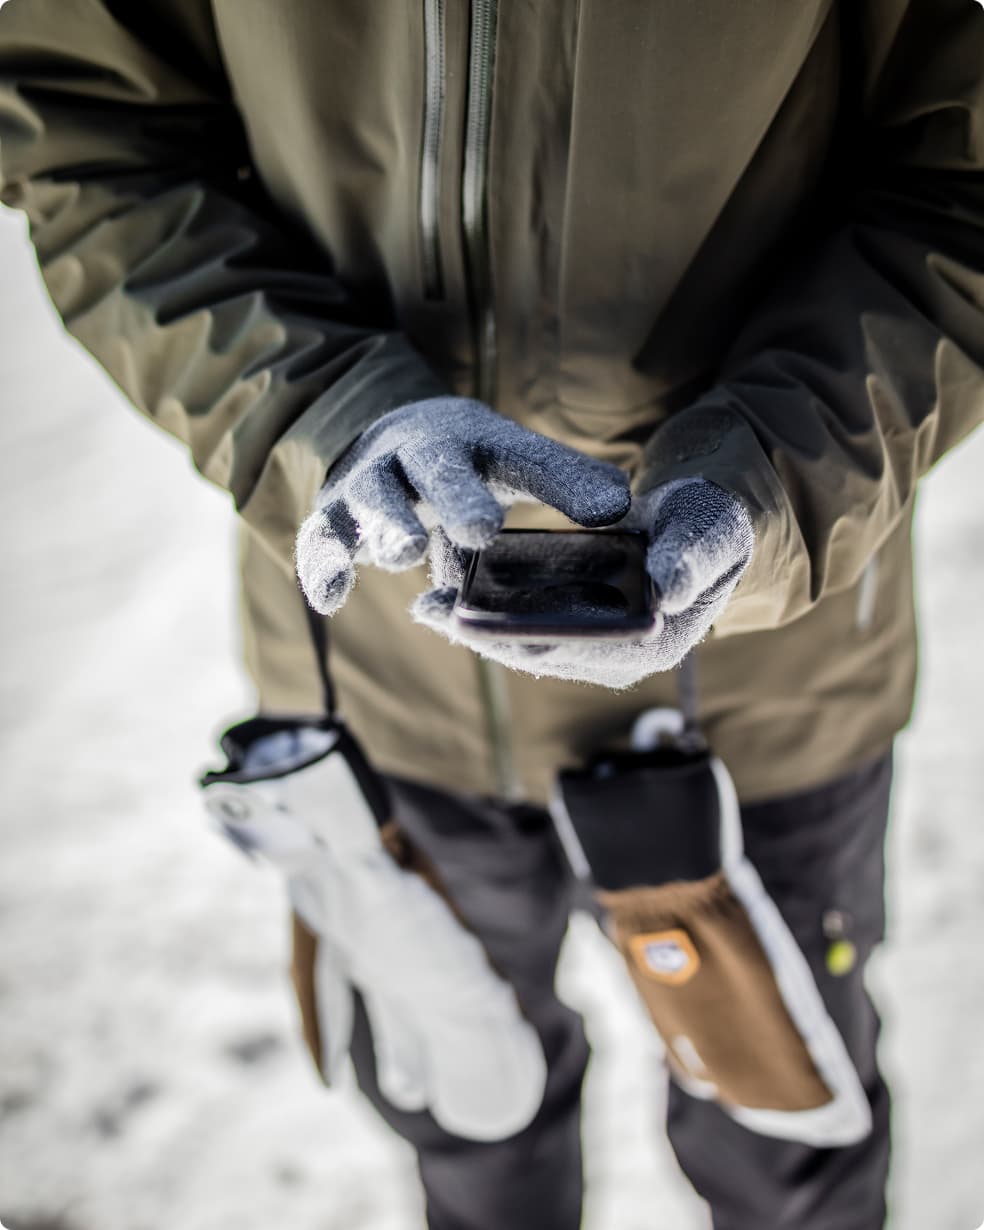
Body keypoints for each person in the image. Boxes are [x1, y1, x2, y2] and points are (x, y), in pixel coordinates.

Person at [1, 2, 982, 1227]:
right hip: (382, 686)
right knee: (471, 1128)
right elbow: (83, 132)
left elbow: (962, 186)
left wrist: (777, 468)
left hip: (762, 694)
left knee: (790, 1145)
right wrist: (322, 413)